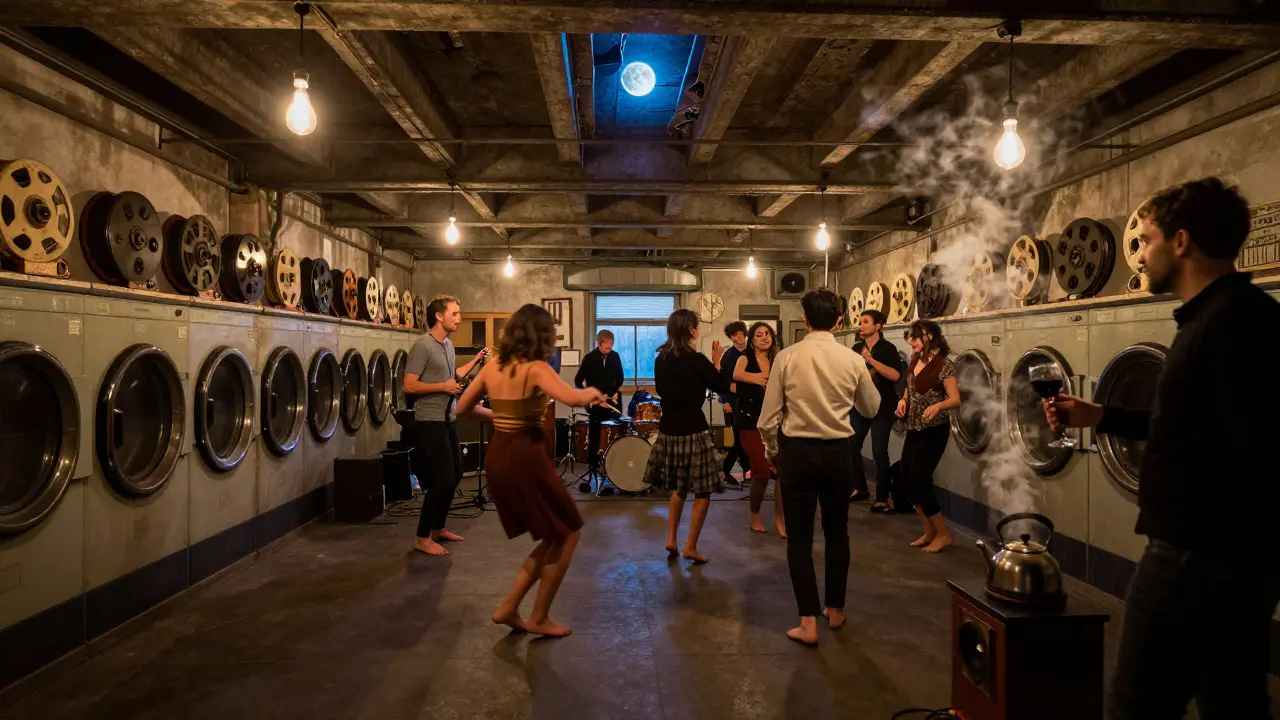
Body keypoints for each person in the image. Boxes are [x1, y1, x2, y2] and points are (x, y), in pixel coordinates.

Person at [1042, 178, 1280, 720]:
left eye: (1145, 240)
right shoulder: (1229, 317)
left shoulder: (1228, 326)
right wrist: (1101, 416)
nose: (1140, 256)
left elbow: (1254, 446)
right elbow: (1191, 424)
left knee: (1138, 702)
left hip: (1197, 552)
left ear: (1181, 241)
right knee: (1234, 701)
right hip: (1234, 556)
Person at [457, 304, 605, 638]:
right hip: (526, 454)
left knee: (557, 533)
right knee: (568, 532)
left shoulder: (493, 365)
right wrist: (593, 392)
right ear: (541, 334)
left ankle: (510, 607)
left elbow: (462, 407)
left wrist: (500, 418)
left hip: (498, 455)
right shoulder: (535, 368)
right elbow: (572, 397)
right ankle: (538, 616)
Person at [758, 289, 880, 646]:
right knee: (837, 532)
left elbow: (768, 419)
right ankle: (836, 610)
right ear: (839, 321)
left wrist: (771, 451)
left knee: (799, 538)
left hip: (798, 453)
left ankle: (808, 623)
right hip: (840, 453)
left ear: (806, 320)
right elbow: (871, 408)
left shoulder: (786, 357)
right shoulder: (852, 359)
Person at [403, 295, 489, 557]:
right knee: (442, 479)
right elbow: (409, 385)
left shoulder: (448, 345)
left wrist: (476, 360)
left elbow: (453, 376)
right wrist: (443, 387)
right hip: (430, 422)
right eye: (455, 313)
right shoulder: (423, 346)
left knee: (456, 475)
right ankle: (422, 537)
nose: (459, 318)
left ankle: (438, 528)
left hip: (448, 418)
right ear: (439, 316)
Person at [643, 308, 727, 564]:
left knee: (678, 487)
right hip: (693, 430)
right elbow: (721, 385)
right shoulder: (697, 359)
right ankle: (690, 546)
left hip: (669, 430)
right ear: (691, 330)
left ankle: (671, 539)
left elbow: (661, 390)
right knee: (703, 492)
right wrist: (717, 362)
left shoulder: (661, 359)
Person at [897, 319, 960, 554]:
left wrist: (938, 406)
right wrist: (903, 400)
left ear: (929, 337)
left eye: (914, 337)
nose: (911, 342)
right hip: (914, 427)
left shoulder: (945, 365)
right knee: (907, 478)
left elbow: (955, 398)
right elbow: (909, 387)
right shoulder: (915, 361)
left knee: (920, 481)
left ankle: (943, 534)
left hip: (934, 430)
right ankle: (929, 530)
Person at [850, 309, 907, 512]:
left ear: (878, 326)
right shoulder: (856, 347)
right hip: (860, 404)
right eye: (860, 321)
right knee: (851, 444)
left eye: (866, 321)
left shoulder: (888, 349)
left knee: (879, 452)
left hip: (882, 406)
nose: (861, 325)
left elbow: (894, 376)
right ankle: (860, 487)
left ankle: (882, 498)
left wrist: (870, 360)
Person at [732, 321, 785, 536]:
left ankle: (780, 518)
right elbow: (736, 375)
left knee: (782, 471)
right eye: (759, 334)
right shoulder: (746, 358)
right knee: (762, 471)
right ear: (752, 341)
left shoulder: (778, 360)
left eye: (768, 334)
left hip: (776, 421)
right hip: (750, 423)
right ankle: (754, 513)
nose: (765, 337)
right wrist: (757, 378)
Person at [574, 329, 625, 483]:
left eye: (611, 347)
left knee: (617, 433)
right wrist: (589, 396)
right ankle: (594, 468)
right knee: (595, 437)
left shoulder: (615, 357)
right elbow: (578, 381)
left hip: (611, 401)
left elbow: (620, 378)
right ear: (599, 343)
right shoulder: (589, 358)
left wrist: (610, 394)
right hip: (595, 404)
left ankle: (616, 467)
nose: (608, 351)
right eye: (606, 348)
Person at [716, 320, 751, 487]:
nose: (740, 337)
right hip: (733, 401)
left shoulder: (751, 352)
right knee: (739, 438)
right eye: (736, 334)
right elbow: (722, 381)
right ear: (731, 337)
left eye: (742, 333)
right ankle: (730, 469)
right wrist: (725, 401)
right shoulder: (728, 356)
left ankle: (744, 471)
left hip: (750, 401)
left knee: (745, 437)